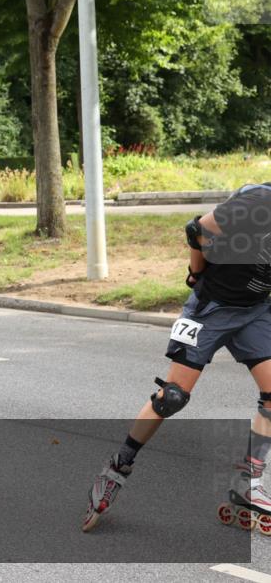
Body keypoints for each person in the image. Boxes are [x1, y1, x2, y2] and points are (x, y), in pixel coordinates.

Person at [82, 183, 271, 532]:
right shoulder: (260, 202)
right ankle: (118, 467)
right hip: (210, 308)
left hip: (255, 312)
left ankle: (249, 480)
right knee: (172, 397)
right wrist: (197, 274)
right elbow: (196, 229)